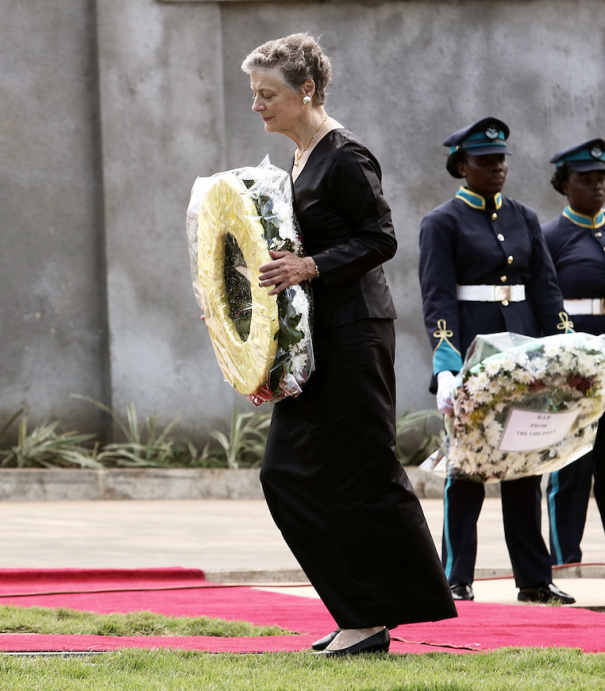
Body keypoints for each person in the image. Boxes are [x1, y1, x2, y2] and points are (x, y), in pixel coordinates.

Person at [241, 32, 457, 657]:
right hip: (315, 341)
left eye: (267, 94)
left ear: (306, 90)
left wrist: (307, 267)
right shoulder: (298, 161)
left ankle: (371, 618)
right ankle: (358, 610)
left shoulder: (346, 156)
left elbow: (380, 238)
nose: (257, 106)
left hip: (358, 334)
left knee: (361, 470)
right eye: (253, 95)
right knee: (285, 473)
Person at [418, 117, 575, 604]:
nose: (497, 168)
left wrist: (566, 350)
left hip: (525, 352)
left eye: (502, 160)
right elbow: (438, 298)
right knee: (468, 467)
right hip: (475, 355)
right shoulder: (442, 222)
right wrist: (446, 364)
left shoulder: (524, 218)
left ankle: (534, 579)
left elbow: (547, 291)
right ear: (461, 166)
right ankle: (455, 577)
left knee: (527, 463)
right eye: (486, 162)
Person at [542, 138, 605, 565]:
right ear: (565, 184)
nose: (597, 187)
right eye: (586, 179)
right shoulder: (551, 236)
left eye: (602, 179)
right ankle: (567, 561)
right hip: (575, 369)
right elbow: (545, 303)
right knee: (572, 467)